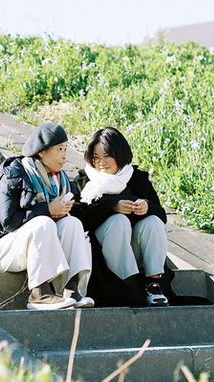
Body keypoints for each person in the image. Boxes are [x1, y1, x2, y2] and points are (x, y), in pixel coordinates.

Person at [0, 122, 94, 310]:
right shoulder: (15, 172)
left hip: (31, 245)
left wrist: (61, 211)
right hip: (0, 246)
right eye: (59, 149)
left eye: (66, 149)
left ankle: (71, 289)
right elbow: (8, 222)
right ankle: (39, 293)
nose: (65, 155)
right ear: (41, 151)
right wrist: (48, 210)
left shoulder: (60, 180)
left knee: (72, 223)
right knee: (43, 222)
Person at [73, 127, 172, 307]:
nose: (101, 162)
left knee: (153, 221)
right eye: (96, 157)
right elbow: (80, 218)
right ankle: (128, 286)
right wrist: (112, 206)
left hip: (134, 249)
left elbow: (161, 215)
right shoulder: (85, 180)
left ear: (119, 154)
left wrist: (146, 207)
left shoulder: (137, 178)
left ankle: (153, 283)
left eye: (107, 156)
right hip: (102, 256)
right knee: (118, 221)